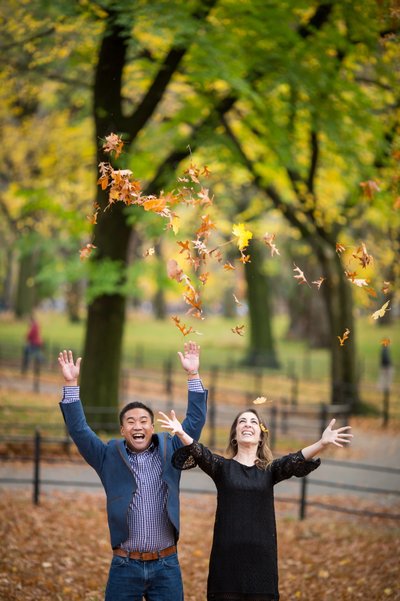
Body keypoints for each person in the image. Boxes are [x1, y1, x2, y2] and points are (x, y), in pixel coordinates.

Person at [58, 341, 207, 601]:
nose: (137, 426)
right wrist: (71, 385)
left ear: (152, 427)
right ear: (123, 431)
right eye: (130, 421)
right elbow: (80, 431)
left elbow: (194, 421)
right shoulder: (108, 456)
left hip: (166, 565)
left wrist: (192, 375)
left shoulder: (171, 449)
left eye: (143, 421)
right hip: (125, 566)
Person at [158, 407, 353, 601]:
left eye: (253, 421)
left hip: (262, 560)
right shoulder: (221, 468)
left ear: (261, 437)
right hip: (227, 559)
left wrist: (322, 443)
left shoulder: (269, 470)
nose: (247, 424)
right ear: (235, 434)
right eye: (242, 421)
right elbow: (200, 452)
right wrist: (182, 432)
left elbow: (295, 459)